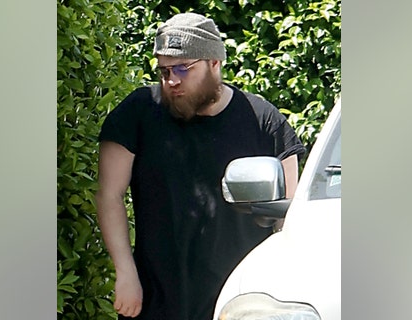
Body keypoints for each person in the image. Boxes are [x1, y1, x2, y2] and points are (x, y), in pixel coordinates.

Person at [95, 12, 306, 320]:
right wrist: (125, 272)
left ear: (214, 63)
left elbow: (289, 214)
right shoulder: (139, 113)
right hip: (158, 301)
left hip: (240, 302)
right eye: (164, 70)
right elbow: (108, 195)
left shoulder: (262, 120)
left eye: (183, 68)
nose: (171, 80)